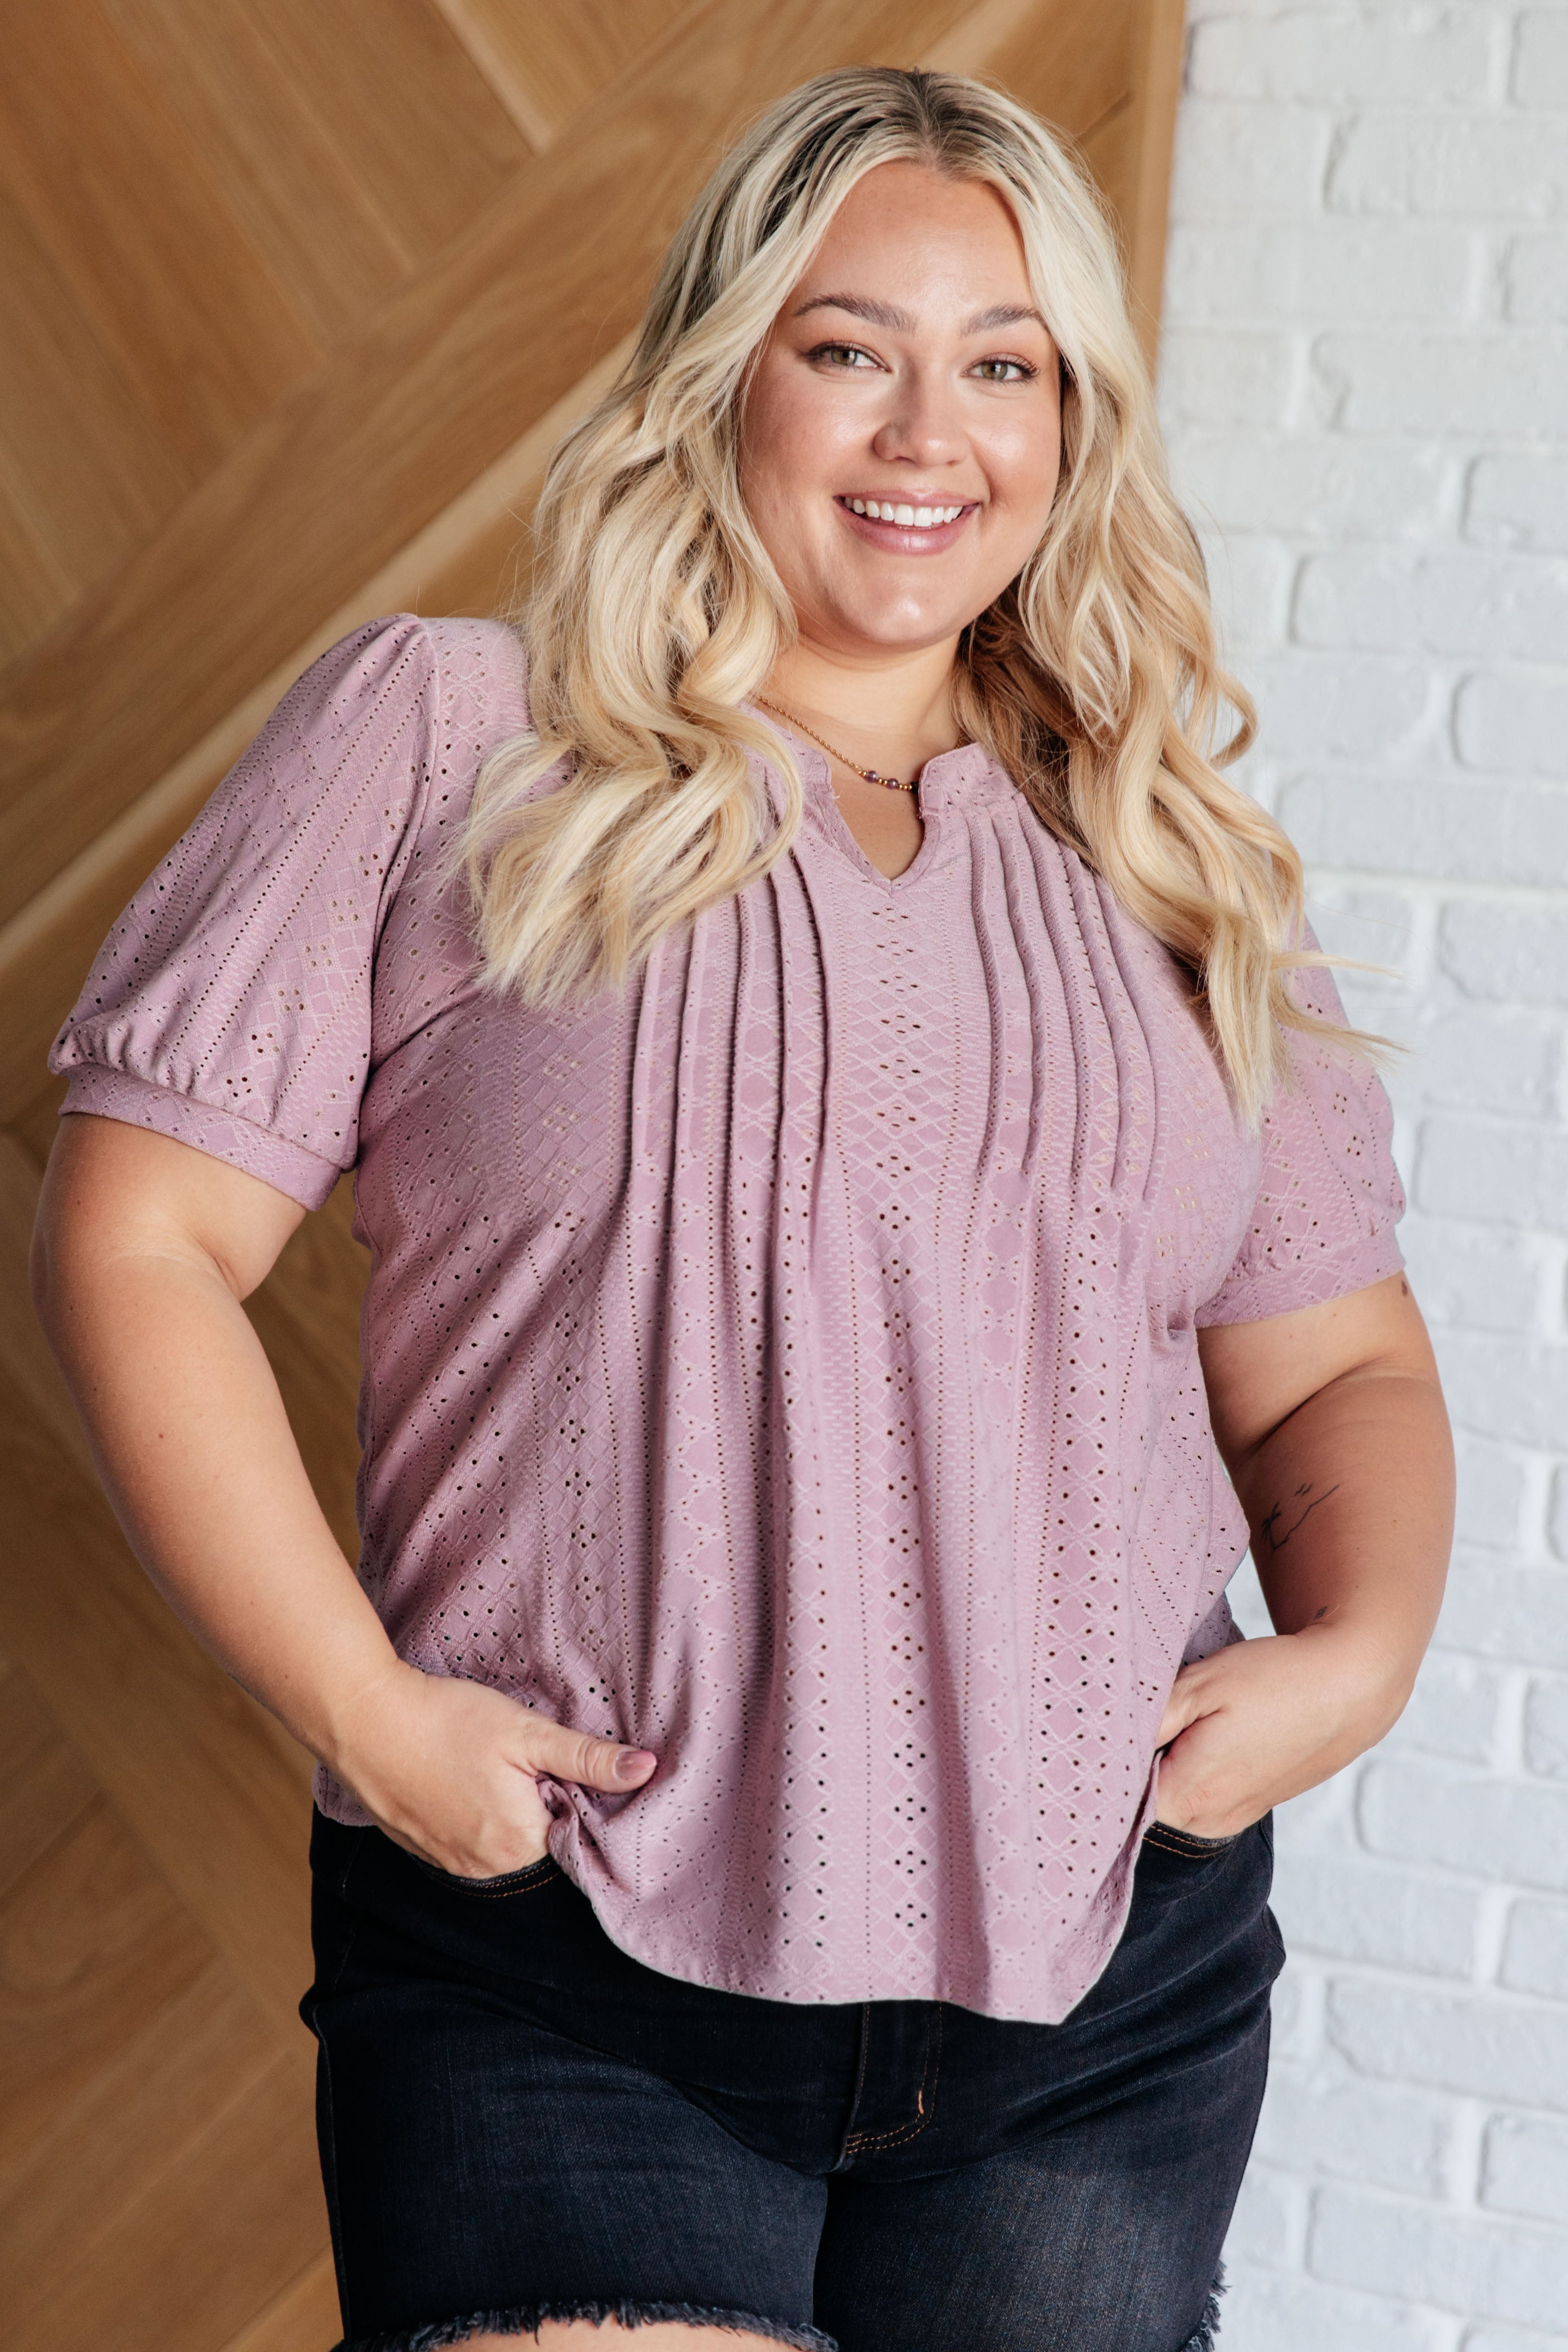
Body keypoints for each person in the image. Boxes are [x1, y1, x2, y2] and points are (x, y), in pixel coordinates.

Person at [31, 67, 1453, 2352]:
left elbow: (1335, 1367)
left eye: (1004, 366)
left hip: (1105, 1985)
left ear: (1073, 421)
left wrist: (1356, 1659)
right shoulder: (448, 741)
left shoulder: (1160, 854)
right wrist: (371, 1720)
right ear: (721, 373)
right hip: (560, 1958)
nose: (930, 433)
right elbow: (141, 1241)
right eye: (848, 347)